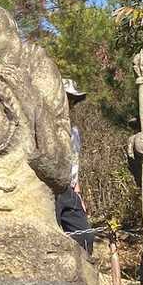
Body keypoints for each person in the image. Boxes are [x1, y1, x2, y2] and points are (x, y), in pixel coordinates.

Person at [55, 79, 95, 254]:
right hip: (49, 189)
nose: (69, 104)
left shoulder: (74, 132)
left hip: (69, 190)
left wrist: (77, 194)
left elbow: (74, 164)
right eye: (66, 98)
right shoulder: (42, 127)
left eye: (72, 100)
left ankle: (84, 269)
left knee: (85, 237)